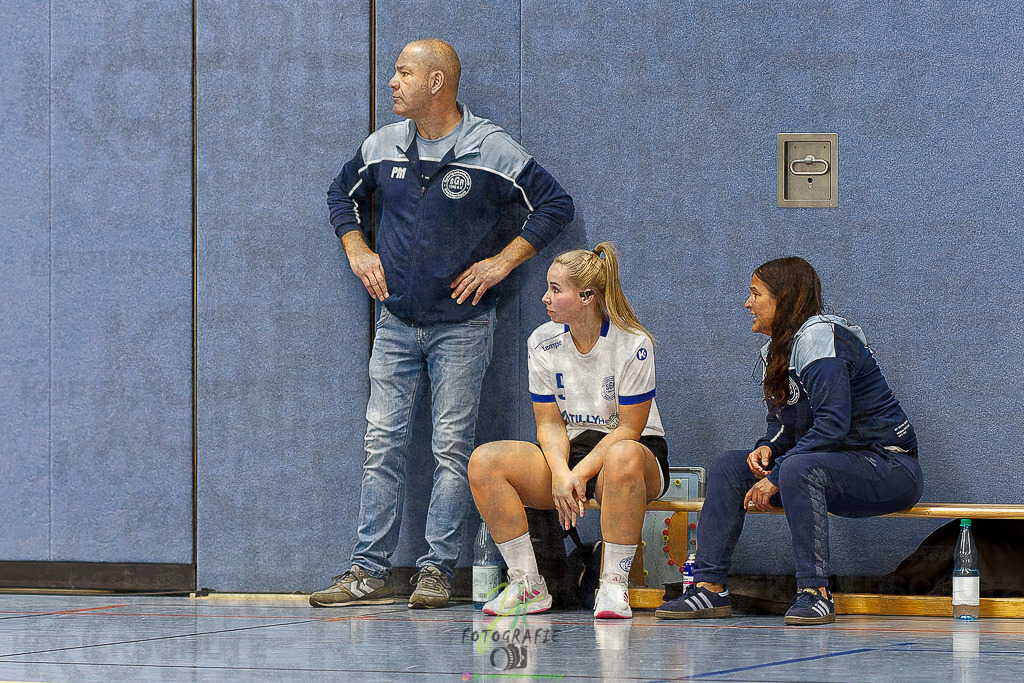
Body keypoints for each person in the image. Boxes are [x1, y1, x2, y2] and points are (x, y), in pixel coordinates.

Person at [311, 39, 575, 609]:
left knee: (452, 450)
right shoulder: (381, 146)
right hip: (397, 322)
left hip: (464, 326)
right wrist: (357, 249)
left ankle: (436, 570)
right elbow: (340, 195)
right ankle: (367, 570)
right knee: (381, 444)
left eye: (403, 73)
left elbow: (555, 204)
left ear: (437, 82)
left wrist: (504, 260)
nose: (392, 83)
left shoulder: (491, 147)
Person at [655, 256, 923, 626]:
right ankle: (709, 589)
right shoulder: (776, 351)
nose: (746, 304)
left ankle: (815, 593)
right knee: (731, 467)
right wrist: (767, 448)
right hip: (826, 467)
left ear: (784, 299)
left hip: (888, 466)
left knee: (797, 468)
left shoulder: (820, 336)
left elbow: (832, 425)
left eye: (755, 294)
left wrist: (778, 472)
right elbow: (785, 426)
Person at [468, 242, 669, 619]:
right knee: (485, 461)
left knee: (623, 456)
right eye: (548, 287)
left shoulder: (633, 344)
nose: (545, 297)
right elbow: (547, 423)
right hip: (570, 451)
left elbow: (629, 429)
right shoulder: (541, 341)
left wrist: (577, 473)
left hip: (633, 453)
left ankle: (613, 586)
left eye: (556, 289)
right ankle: (527, 584)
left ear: (587, 296)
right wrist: (561, 472)